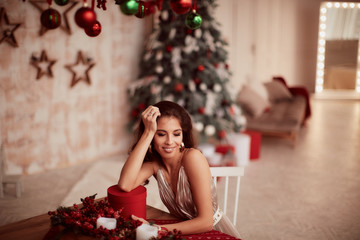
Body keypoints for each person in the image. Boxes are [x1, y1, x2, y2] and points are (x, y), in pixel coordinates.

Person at [118, 101, 240, 238]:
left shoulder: (192, 158)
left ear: (183, 135)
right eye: (161, 134)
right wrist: (147, 132)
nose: (170, 141)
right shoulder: (155, 164)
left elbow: (206, 222)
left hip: (211, 231)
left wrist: (157, 229)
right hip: (179, 230)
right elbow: (125, 184)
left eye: (176, 134)